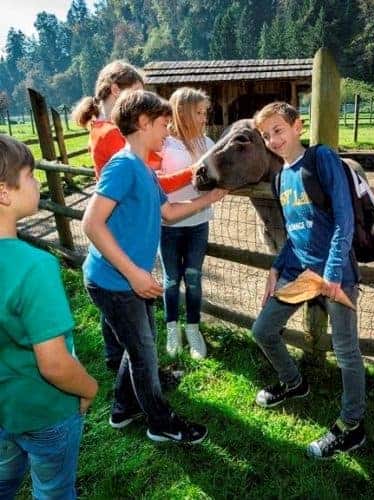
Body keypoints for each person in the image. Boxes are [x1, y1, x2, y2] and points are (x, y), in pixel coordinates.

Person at [82, 89, 226, 443]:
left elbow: (169, 212)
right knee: (145, 355)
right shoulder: (123, 165)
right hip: (115, 282)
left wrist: (209, 198)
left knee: (139, 347)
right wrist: (134, 273)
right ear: (144, 124)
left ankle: (122, 409)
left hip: (128, 282)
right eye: (163, 124)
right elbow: (91, 223)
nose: (167, 130)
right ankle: (161, 423)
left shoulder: (144, 169)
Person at [252, 102, 366, 459]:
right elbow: (293, 234)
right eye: (266, 135)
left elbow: (343, 219)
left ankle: (352, 425)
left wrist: (331, 274)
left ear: (297, 126)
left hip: (335, 274)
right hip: (300, 272)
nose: (273, 140)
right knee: (263, 330)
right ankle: (294, 382)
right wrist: (276, 266)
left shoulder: (322, 159)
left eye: (278, 131)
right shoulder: (279, 177)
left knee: (346, 351)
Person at [73, 60, 195, 372]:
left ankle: (123, 375)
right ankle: (137, 390)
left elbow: (154, 191)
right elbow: (151, 186)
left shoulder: (104, 133)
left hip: (119, 244)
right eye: (136, 93)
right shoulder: (119, 145)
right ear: (116, 91)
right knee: (137, 340)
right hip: (121, 251)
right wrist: (193, 173)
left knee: (126, 329)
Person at [0, 135, 98, 499]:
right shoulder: (35, 266)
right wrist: (88, 388)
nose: (37, 182)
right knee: (54, 488)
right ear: (4, 193)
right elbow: (54, 365)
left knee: (4, 477)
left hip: (4, 406)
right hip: (46, 411)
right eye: (29, 174)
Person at [158, 87, 214, 359]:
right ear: (183, 113)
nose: (204, 118)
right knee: (170, 279)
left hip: (198, 224)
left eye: (205, 112)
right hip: (168, 227)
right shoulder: (163, 145)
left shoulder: (209, 144)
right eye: (199, 112)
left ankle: (193, 328)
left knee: (193, 278)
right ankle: (172, 327)